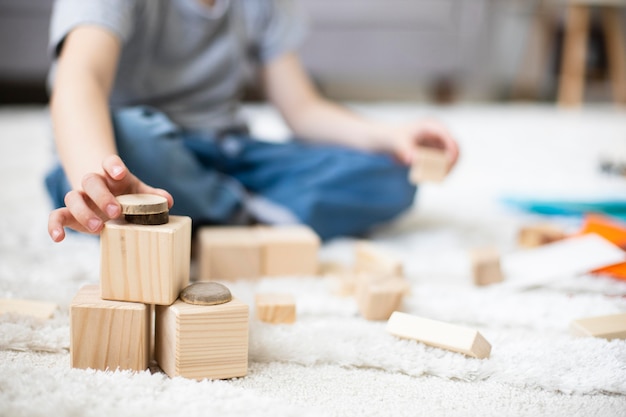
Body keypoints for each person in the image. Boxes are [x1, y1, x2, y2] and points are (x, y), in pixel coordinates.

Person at [45, 0, 459, 242]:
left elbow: (303, 109)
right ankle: (249, 214)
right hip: (137, 155)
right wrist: (93, 173)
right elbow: (79, 81)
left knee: (394, 174)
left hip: (230, 154)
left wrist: (392, 136)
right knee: (129, 138)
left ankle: (225, 214)